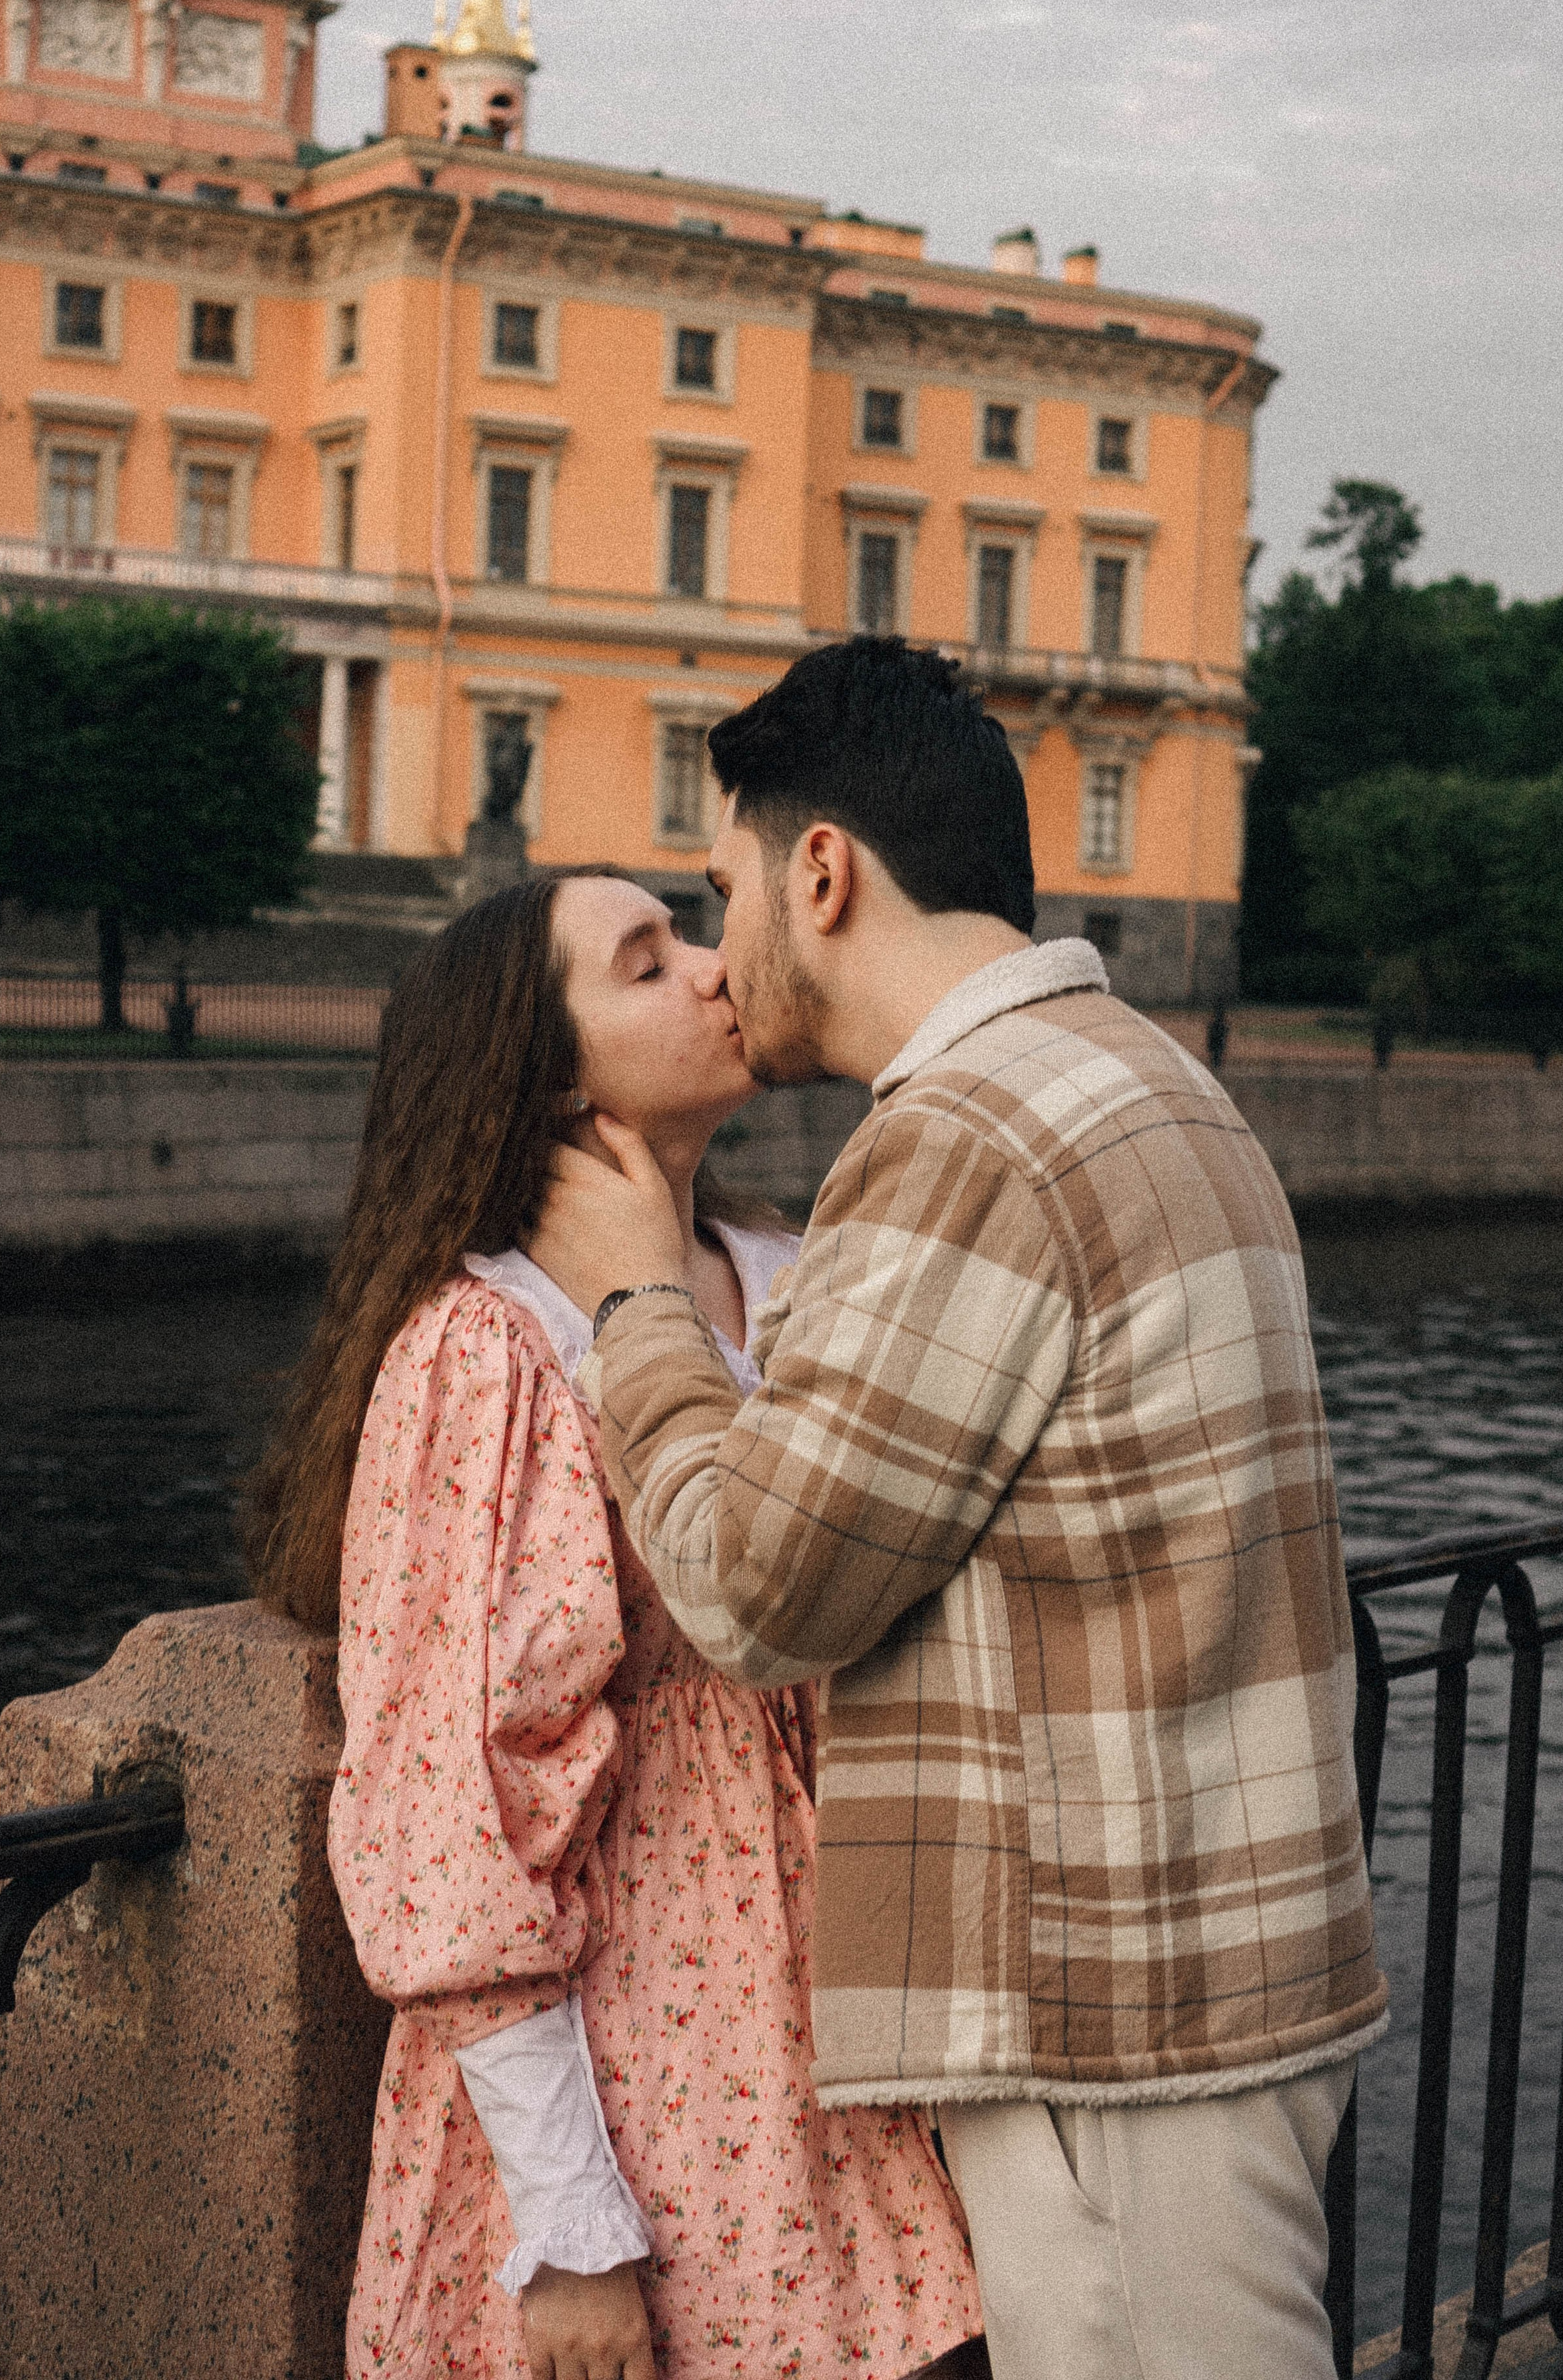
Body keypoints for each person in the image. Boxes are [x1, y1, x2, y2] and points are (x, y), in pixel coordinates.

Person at [526, 639, 1388, 2380]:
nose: (721, 946)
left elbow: (757, 1590)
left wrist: (636, 1306)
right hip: (1222, 1982)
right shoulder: (1150, 1080)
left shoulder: (968, 1139)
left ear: (822, 870)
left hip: (1115, 2023)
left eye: (724, 886)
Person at [243, 871, 985, 2380]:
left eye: (688, 935)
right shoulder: (488, 1349)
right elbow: (449, 1807)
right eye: (646, 964)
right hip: (639, 2075)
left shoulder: (781, 1279)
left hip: (860, 2042)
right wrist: (570, 2222)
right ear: (545, 1079)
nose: (718, 971)